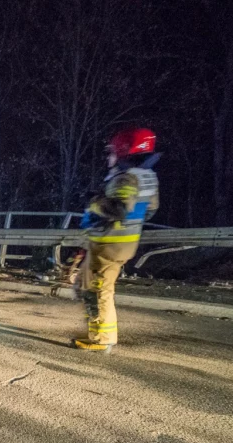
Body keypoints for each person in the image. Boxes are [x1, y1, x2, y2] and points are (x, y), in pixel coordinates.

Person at [73, 128, 159, 352]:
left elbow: (119, 209)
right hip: (121, 243)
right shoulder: (146, 176)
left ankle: (102, 338)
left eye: (112, 152)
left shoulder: (125, 177)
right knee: (87, 285)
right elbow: (150, 210)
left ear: (123, 151)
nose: (109, 157)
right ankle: (98, 333)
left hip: (109, 244)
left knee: (97, 289)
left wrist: (94, 201)